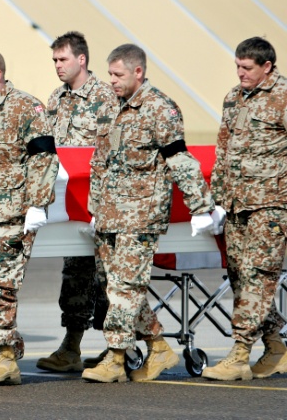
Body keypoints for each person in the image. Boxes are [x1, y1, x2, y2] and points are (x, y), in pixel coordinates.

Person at [82, 44, 218, 383]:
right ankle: (158, 346)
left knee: (126, 287)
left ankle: (115, 357)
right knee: (112, 286)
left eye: (118, 75)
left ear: (138, 72)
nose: (112, 81)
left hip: (141, 214)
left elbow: (179, 159)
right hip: (110, 214)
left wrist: (201, 206)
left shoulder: (160, 108)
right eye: (110, 74)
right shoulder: (110, 108)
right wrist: (95, 208)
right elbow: (99, 163)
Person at [0, 47, 59, 385]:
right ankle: (1, 351)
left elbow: (44, 158)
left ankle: (4, 357)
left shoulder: (25, 107)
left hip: (13, 215)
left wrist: (38, 204)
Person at [202, 36, 287, 381]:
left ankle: (239, 354)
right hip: (236, 205)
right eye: (237, 66)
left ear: (267, 66)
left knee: (258, 277)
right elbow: (223, 150)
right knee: (239, 276)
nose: (241, 73)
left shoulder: (283, 97)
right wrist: (216, 200)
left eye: (247, 68)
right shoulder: (233, 97)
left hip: (272, 205)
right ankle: (276, 347)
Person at [37, 32, 116, 373]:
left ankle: (117, 347)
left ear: (81, 59)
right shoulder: (56, 98)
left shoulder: (106, 96)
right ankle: (71, 346)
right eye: (55, 60)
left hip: (100, 200)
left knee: (108, 277)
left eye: (63, 59)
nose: (57, 65)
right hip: (70, 201)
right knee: (75, 273)